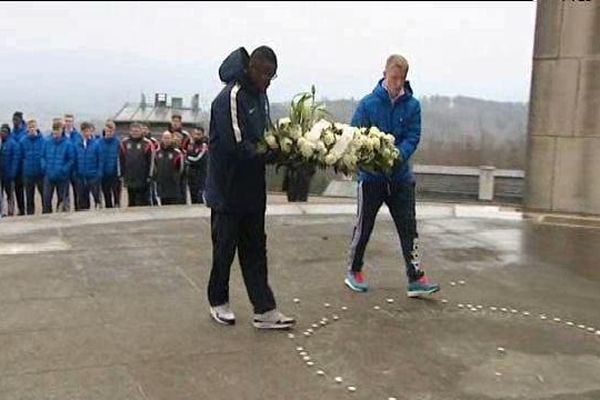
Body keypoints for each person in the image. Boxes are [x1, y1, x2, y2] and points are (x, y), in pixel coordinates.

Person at [205, 46, 295, 329]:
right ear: (252, 69)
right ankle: (218, 300)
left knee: (256, 248)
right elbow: (237, 145)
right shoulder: (230, 97)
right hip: (228, 188)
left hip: (253, 188)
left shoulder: (261, 95)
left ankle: (264, 309)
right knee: (225, 248)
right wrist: (270, 155)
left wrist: (283, 149)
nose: (268, 81)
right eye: (265, 74)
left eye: (272, 76)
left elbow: (264, 134)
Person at [344, 54, 440, 298]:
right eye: (393, 77)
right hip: (371, 180)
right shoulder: (367, 104)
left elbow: (412, 136)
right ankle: (354, 271)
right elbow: (355, 135)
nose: (397, 83)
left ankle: (416, 277)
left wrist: (398, 155)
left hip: (400, 179)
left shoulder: (412, 106)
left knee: (409, 229)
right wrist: (372, 157)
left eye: (401, 79)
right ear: (385, 74)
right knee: (363, 227)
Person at [42, 120, 74, 213]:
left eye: (58, 130)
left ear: (62, 130)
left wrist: (64, 170)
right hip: (49, 175)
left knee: (62, 200)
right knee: (46, 199)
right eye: (54, 130)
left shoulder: (68, 144)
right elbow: (42, 156)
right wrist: (45, 168)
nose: (56, 132)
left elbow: (71, 160)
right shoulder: (47, 142)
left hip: (62, 177)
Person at [119, 122, 154, 207]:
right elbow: (121, 160)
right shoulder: (124, 143)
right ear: (130, 131)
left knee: (143, 201)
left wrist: (150, 175)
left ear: (141, 131)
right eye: (133, 131)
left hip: (143, 178)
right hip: (129, 177)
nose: (135, 132)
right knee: (131, 200)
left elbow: (151, 161)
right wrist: (121, 174)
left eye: (137, 131)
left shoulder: (147, 143)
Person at [74, 122, 103, 210]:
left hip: (93, 177)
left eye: (88, 131)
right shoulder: (77, 145)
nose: (86, 133)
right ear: (81, 132)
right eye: (85, 131)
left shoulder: (96, 144)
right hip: (81, 177)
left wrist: (98, 174)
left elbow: (100, 161)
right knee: (82, 201)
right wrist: (75, 174)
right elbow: (75, 160)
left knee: (97, 199)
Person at [20, 119, 45, 215]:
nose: (32, 129)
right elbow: (21, 157)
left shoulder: (43, 140)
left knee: (44, 197)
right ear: (27, 128)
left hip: (40, 174)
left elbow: (45, 155)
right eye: (30, 127)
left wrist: (44, 168)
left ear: (37, 127)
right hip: (28, 174)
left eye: (33, 127)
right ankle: (30, 217)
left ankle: (46, 215)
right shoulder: (23, 141)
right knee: (29, 198)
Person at [154, 131, 184, 205]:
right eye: (165, 138)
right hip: (162, 184)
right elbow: (155, 166)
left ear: (171, 139)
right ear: (162, 139)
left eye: (168, 138)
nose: (166, 140)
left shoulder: (177, 153)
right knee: (163, 205)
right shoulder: (157, 152)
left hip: (173, 185)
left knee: (174, 207)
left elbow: (181, 168)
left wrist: (175, 177)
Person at [99, 120, 122, 208]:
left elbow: (121, 158)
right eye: (107, 131)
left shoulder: (118, 143)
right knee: (107, 196)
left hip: (115, 174)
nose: (109, 133)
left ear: (114, 131)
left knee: (116, 197)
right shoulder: (99, 143)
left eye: (111, 131)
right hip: (104, 174)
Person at [62, 114, 82, 211]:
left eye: (70, 121)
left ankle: (78, 210)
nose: (68, 123)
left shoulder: (78, 136)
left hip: (75, 168)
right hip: (64, 168)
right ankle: (66, 211)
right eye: (66, 121)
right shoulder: (60, 135)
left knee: (77, 191)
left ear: (73, 122)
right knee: (64, 193)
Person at [0, 124, 20, 216]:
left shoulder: (12, 144)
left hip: (9, 175)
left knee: (10, 196)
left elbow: (16, 160)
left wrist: (12, 173)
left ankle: (10, 212)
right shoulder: (1, 144)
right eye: (1, 131)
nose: (3, 133)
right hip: (1, 174)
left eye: (5, 132)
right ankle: (1, 212)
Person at [186, 125, 209, 204]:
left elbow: (197, 159)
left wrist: (187, 158)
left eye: (198, 134)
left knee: (200, 199)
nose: (196, 136)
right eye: (195, 134)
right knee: (193, 199)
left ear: (202, 135)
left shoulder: (204, 146)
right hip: (192, 177)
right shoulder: (191, 145)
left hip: (201, 178)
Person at [11, 112, 27, 215]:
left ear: (21, 120)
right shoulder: (12, 133)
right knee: (18, 190)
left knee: (26, 190)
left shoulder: (25, 133)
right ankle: (21, 209)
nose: (15, 122)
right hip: (14, 166)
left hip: (23, 167)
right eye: (13, 120)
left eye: (16, 120)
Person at [142, 124, 160, 206]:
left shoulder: (154, 141)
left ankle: (155, 202)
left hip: (153, 167)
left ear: (149, 130)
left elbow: (156, 153)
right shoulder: (140, 141)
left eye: (146, 129)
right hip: (142, 169)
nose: (144, 131)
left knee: (153, 188)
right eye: (143, 129)